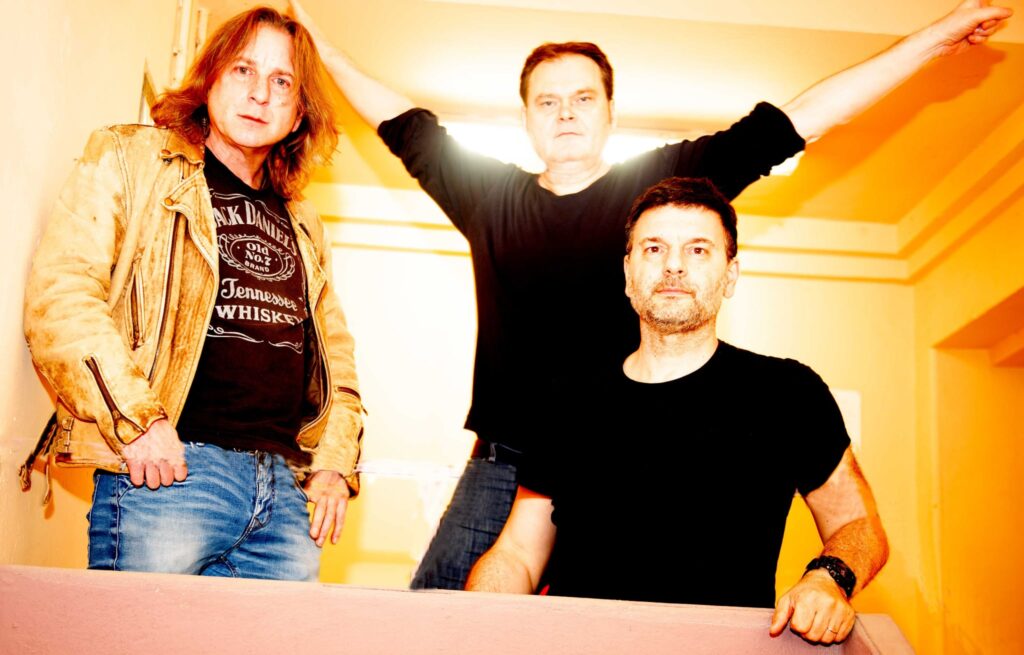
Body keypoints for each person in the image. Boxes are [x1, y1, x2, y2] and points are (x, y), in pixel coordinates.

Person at [290, 0, 1010, 590]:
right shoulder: (489, 196)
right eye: (547, 101)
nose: (566, 113)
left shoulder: (659, 189)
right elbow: (399, 120)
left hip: (623, 455)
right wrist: (315, 42)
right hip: (507, 460)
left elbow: (800, 118)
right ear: (527, 119)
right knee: (442, 616)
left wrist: (934, 38)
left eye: (583, 98)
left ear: (609, 112)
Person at [466, 177, 889, 646]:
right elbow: (519, 553)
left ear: (730, 275)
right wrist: (474, 626)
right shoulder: (565, 399)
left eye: (698, 250)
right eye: (654, 249)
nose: (673, 265)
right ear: (627, 273)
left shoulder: (787, 393)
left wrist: (828, 577)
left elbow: (859, 524)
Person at [20, 7, 363, 581]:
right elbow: (61, 296)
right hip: (168, 473)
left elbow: (337, 355)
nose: (260, 94)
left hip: (284, 497)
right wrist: (137, 421)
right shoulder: (133, 158)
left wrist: (334, 463)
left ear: (299, 111)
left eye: (282, 82)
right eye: (243, 70)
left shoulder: (305, 221)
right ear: (210, 77)